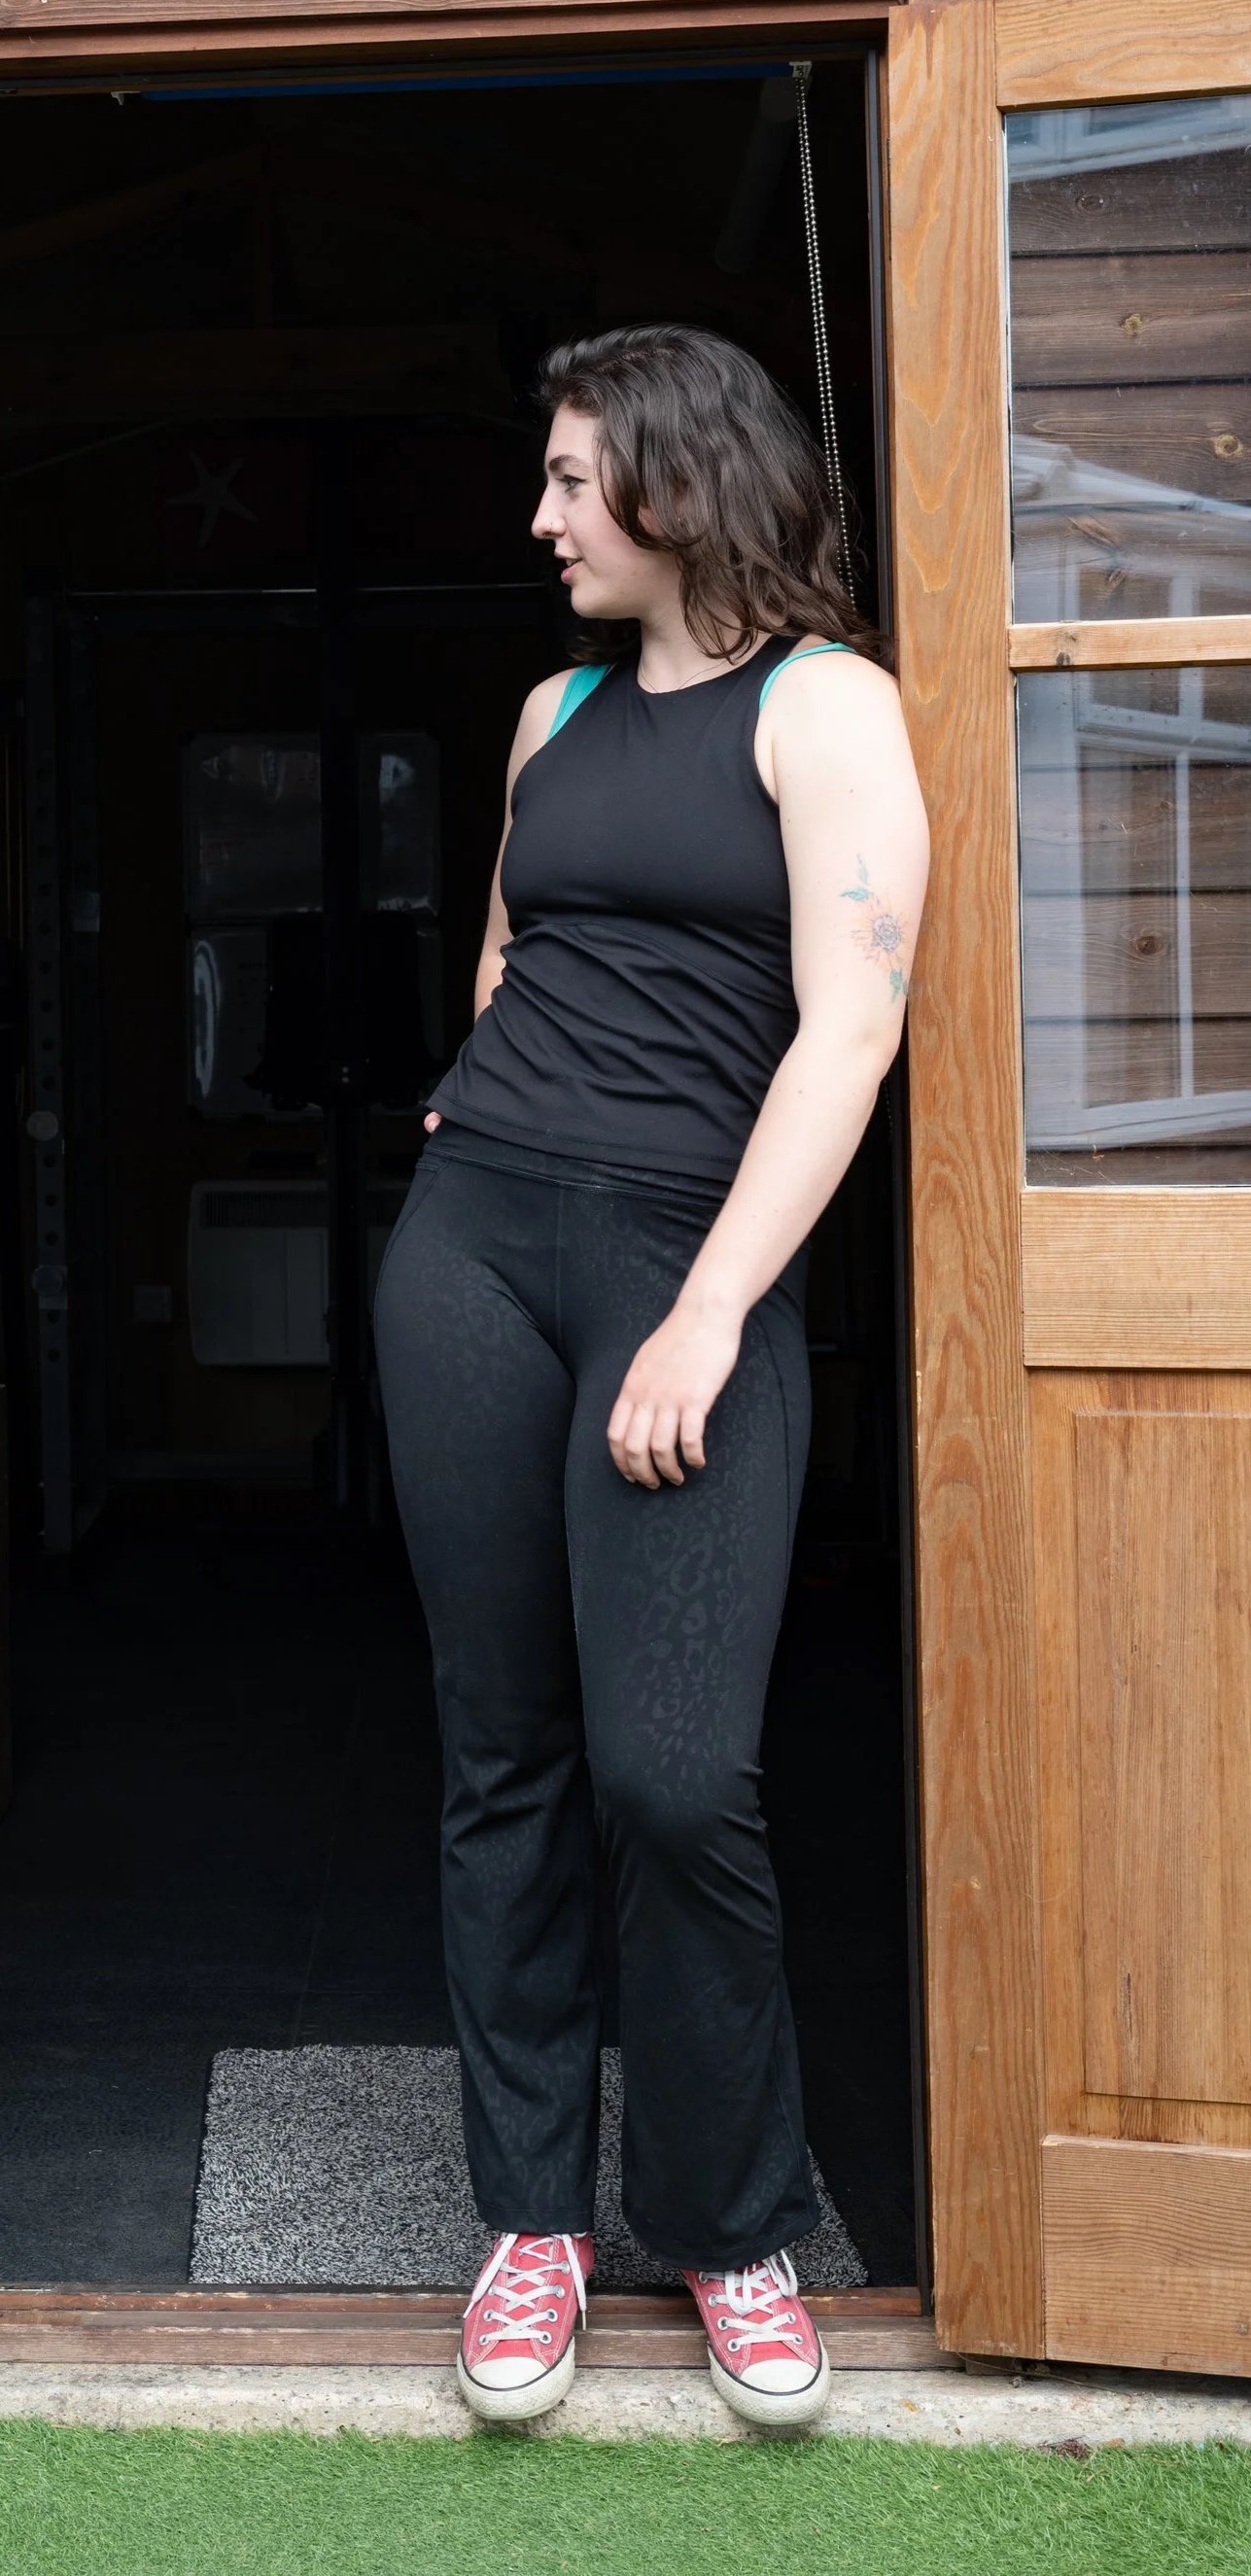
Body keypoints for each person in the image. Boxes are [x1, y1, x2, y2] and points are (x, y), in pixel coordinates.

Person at [373, 324, 929, 2430]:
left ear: (677, 485)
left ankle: (723, 2218)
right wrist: (463, 1132)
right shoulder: (552, 711)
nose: (539, 516)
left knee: (675, 1775)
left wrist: (704, 1309)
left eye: (570, 480)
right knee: (500, 1750)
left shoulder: (824, 709)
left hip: (689, 1266)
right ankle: (531, 2220)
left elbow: (845, 1032)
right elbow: (514, 960)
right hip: (476, 1251)